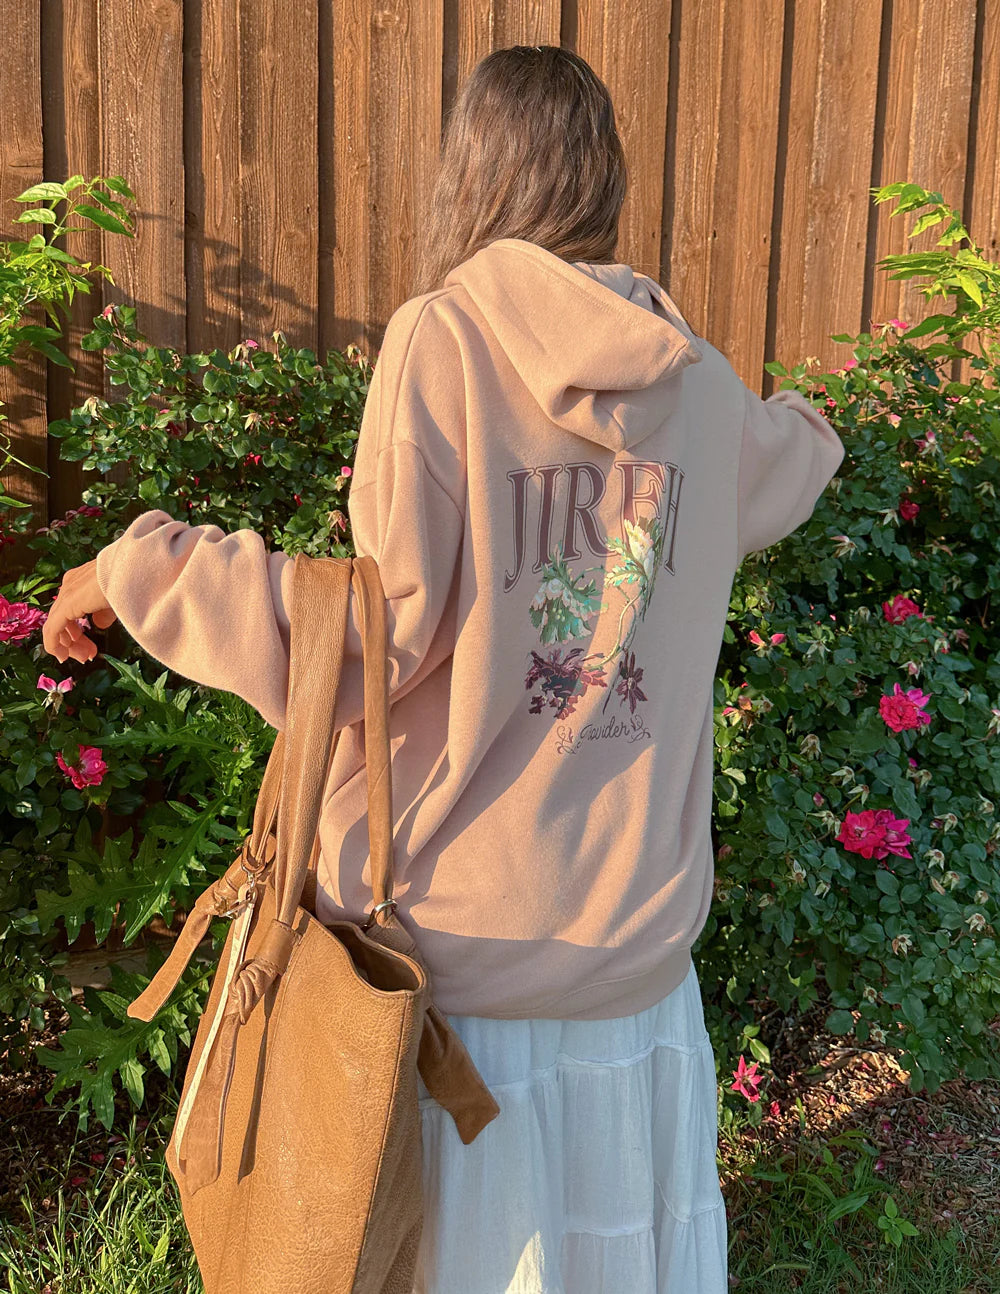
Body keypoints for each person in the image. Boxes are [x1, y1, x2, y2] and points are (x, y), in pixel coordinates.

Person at [43, 44, 845, 1294]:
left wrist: (142, 570)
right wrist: (806, 420)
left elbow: (380, 632)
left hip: (465, 979)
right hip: (636, 980)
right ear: (606, 177)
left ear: (470, 171)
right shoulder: (691, 378)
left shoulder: (444, 340)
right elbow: (791, 463)